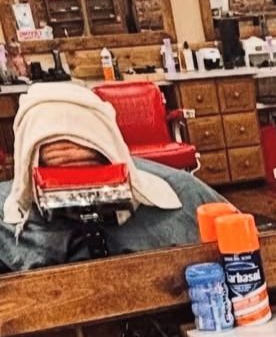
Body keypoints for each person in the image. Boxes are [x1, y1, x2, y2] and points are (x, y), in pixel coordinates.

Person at [0, 83, 228, 269]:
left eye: (90, 174)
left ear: (112, 154)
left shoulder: (186, 192)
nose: (81, 195)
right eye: (61, 179)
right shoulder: (6, 228)